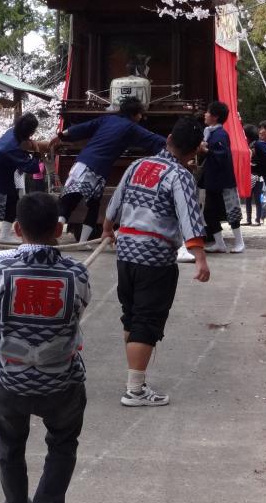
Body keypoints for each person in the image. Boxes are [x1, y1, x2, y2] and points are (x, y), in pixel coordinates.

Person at [0, 192, 90, 503]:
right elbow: (77, 313)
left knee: (10, 445)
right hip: (62, 381)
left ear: (18, 229)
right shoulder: (76, 273)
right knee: (63, 444)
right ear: (59, 228)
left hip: (11, 379)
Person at [103, 117, 209, 407]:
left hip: (126, 253)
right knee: (146, 320)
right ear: (194, 151)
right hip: (155, 256)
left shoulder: (139, 165)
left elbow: (117, 197)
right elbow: (190, 215)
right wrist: (199, 256)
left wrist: (107, 226)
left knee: (132, 313)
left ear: (168, 139)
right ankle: (134, 389)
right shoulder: (180, 175)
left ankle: (135, 379)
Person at [56, 98, 166, 242]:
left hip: (81, 162)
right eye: (140, 114)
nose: (141, 117)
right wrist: (175, 142)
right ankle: (82, 242)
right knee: (93, 205)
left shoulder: (107, 119)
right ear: (134, 114)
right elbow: (154, 139)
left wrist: (63, 134)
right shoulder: (131, 127)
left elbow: (85, 127)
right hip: (99, 168)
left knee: (69, 200)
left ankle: (57, 230)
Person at [0, 113, 55, 244]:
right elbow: (32, 168)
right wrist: (37, 151)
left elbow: (22, 149)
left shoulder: (12, 132)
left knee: (11, 199)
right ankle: (3, 235)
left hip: (0, 169)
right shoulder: (11, 147)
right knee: (7, 200)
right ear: (29, 132)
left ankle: (3, 234)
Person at [200, 101, 245, 254]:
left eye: (207, 112)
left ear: (215, 116)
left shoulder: (220, 134)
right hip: (213, 180)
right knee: (209, 212)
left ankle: (239, 242)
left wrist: (206, 150)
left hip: (223, 180)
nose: (205, 114)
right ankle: (219, 243)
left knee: (231, 210)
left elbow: (221, 156)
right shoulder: (210, 132)